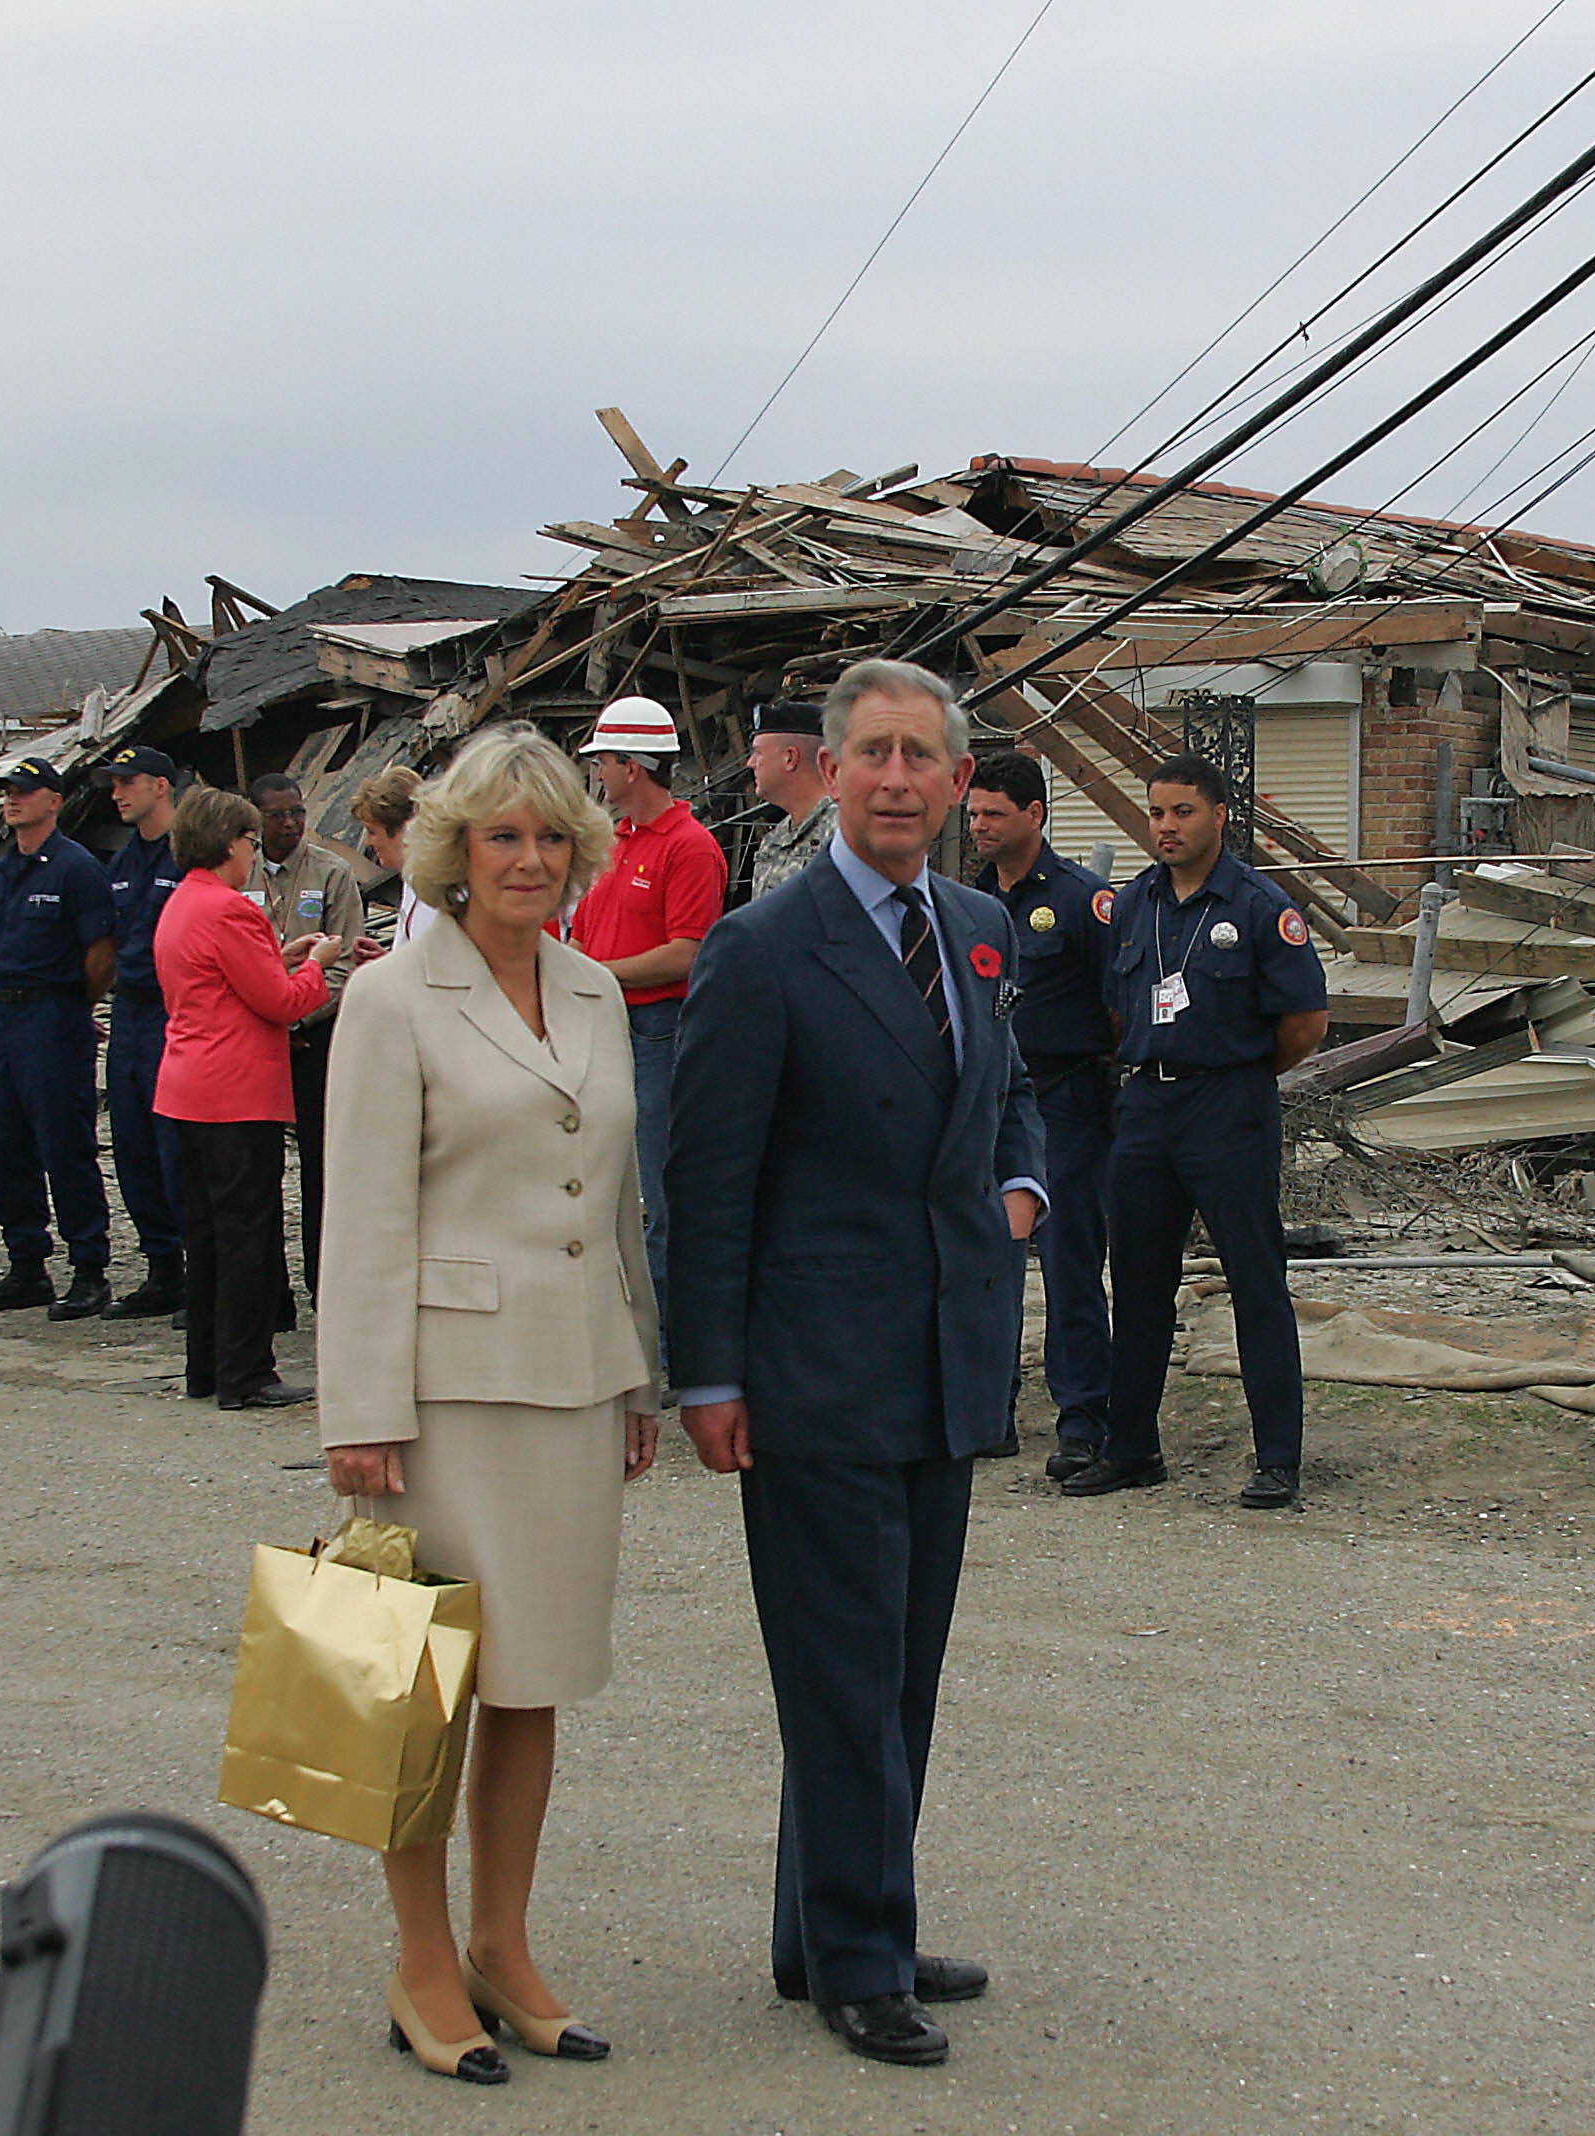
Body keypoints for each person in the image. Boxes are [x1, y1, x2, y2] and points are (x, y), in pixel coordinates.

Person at [664, 659, 1043, 2069]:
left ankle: (824, 1924)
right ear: (827, 774)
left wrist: (1025, 1194)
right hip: (811, 1368)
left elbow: (1016, 1101)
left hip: (945, 1355)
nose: (895, 778)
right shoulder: (765, 946)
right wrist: (706, 1376)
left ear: (957, 783)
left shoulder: (983, 926)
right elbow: (705, 1180)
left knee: (900, 1671)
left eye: (919, 756)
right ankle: (861, 1958)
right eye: (869, 753)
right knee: (838, 1675)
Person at [316, 723, 659, 2088]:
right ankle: (418, 1956)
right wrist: (361, 1408)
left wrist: (636, 1365)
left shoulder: (594, 991)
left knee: (536, 1685)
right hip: (442, 1400)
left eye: (552, 836)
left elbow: (618, 1203)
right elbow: (359, 1219)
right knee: (425, 1691)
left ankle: (503, 1947)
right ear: (457, 852)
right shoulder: (391, 1001)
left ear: (581, 851)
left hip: (573, 1382)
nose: (530, 858)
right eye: (504, 837)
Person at [1065, 754, 1330, 1510]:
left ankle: (1278, 1457)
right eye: (1156, 813)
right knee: (1141, 1284)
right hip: (1147, 1105)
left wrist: (1236, 1071)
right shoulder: (1135, 904)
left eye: (1182, 812)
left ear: (1218, 815)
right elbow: (1121, 1007)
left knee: (1255, 1282)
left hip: (1228, 1107)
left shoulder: (1255, 904)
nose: (1166, 827)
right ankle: (1132, 1447)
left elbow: (1305, 1023)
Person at [152, 785, 335, 1408]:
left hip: (188, 1086)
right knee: (246, 1236)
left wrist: (282, 954)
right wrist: (319, 964)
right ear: (231, 843)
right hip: (236, 1093)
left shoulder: (183, 903)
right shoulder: (230, 909)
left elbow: (227, 975)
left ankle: (207, 1365)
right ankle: (247, 1370)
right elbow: (281, 1002)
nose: (254, 854)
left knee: (204, 1235)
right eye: (251, 842)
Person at [965, 751, 1116, 1477]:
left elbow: (1119, 1007)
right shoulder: (968, 906)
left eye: (994, 813)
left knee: (1069, 1264)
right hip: (985, 1105)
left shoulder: (1085, 902)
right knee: (985, 1262)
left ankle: (1083, 1419)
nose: (980, 826)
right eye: (972, 814)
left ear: (1035, 815)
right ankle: (990, 1409)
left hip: (1065, 1100)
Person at [566, 696, 725, 1323]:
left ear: (633, 766)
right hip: (607, 1031)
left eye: (603, 760)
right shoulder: (614, 843)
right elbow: (583, 931)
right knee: (606, 1189)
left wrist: (592, 977)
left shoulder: (688, 847)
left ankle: (668, 1344)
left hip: (658, 1033)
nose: (598, 773)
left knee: (660, 1195)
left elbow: (689, 954)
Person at [0, 756, 117, 1320]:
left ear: (54, 801)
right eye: (7, 793)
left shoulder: (75, 868)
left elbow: (100, 952)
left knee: (64, 1144)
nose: (13, 801)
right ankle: (26, 1262)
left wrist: (72, 1009)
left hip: (53, 1016)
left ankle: (89, 1268)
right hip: (4, 1017)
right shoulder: (2, 870)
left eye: (25, 793)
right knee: (6, 1146)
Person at [243, 772, 363, 1323]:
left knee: (322, 1170)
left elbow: (344, 963)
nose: (289, 823)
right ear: (255, 817)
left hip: (313, 1037)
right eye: (276, 814)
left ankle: (326, 1289)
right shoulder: (236, 873)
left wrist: (296, 1009)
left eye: (297, 812)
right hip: (256, 1042)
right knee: (257, 1171)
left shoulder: (332, 873)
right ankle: (269, 1294)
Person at [97, 746, 188, 1322]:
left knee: (174, 1145)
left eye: (127, 783)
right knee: (130, 1143)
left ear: (160, 785)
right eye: (113, 784)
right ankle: (161, 1268)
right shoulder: (123, 863)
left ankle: (195, 1265)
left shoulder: (190, 855)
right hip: (128, 1012)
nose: (116, 793)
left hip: (173, 1011)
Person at [743, 698, 838, 898]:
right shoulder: (775, 839)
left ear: (790, 758)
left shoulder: (846, 833)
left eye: (758, 753)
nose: (750, 763)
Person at [348, 764, 433, 955]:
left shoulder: (438, 891)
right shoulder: (413, 883)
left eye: (372, 832)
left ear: (402, 829)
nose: (368, 842)